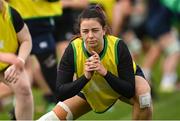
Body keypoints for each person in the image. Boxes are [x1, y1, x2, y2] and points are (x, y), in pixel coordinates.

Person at [38, 5, 152, 120]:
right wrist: (85, 78)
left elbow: (128, 90)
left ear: (104, 30)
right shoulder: (73, 49)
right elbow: (61, 93)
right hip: (90, 88)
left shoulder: (118, 46)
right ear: (80, 32)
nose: (90, 36)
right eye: (85, 31)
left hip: (120, 83)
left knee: (144, 99)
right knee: (50, 119)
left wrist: (104, 72)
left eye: (95, 30)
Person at [0, 0, 34, 120]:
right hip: (7, 60)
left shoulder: (11, 13)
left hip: (7, 66)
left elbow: (26, 39)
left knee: (24, 89)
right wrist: (4, 56)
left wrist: (20, 60)